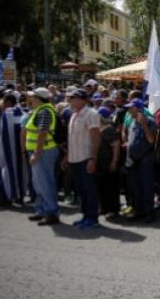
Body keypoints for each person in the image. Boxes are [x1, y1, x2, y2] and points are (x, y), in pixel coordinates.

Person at [23, 88, 60, 226]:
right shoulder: (40, 110)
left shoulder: (44, 111)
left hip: (44, 152)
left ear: (38, 98)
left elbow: (42, 133)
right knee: (39, 183)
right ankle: (42, 210)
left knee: (45, 183)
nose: (30, 99)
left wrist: (36, 154)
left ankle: (51, 213)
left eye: (32, 97)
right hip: (41, 151)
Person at [66, 89, 102, 229]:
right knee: (81, 190)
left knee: (89, 189)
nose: (71, 101)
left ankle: (92, 218)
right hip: (74, 159)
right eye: (71, 98)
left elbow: (96, 137)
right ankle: (86, 216)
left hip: (85, 158)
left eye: (74, 98)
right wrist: (66, 158)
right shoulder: (74, 115)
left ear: (83, 100)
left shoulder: (91, 114)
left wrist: (93, 158)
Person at [124, 98, 157, 223]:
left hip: (145, 158)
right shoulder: (132, 121)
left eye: (131, 108)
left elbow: (151, 140)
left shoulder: (149, 121)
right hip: (134, 159)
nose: (129, 110)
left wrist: (143, 124)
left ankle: (149, 213)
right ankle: (139, 211)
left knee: (147, 187)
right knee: (136, 187)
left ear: (138, 108)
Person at [0, 93, 28, 204]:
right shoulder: (24, 112)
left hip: (8, 150)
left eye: (3, 102)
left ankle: (10, 196)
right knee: (22, 172)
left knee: (7, 171)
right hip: (21, 149)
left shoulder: (6, 113)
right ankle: (20, 196)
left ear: (7, 102)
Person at [95, 106, 121, 218]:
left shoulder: (109, 130)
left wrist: (114, 162)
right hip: (99, 163)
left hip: (108, 162)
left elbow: (116, 146)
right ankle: (103, 207)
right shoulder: (98, 129)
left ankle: (113, 210)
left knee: (111, 187)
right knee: (101, 186)